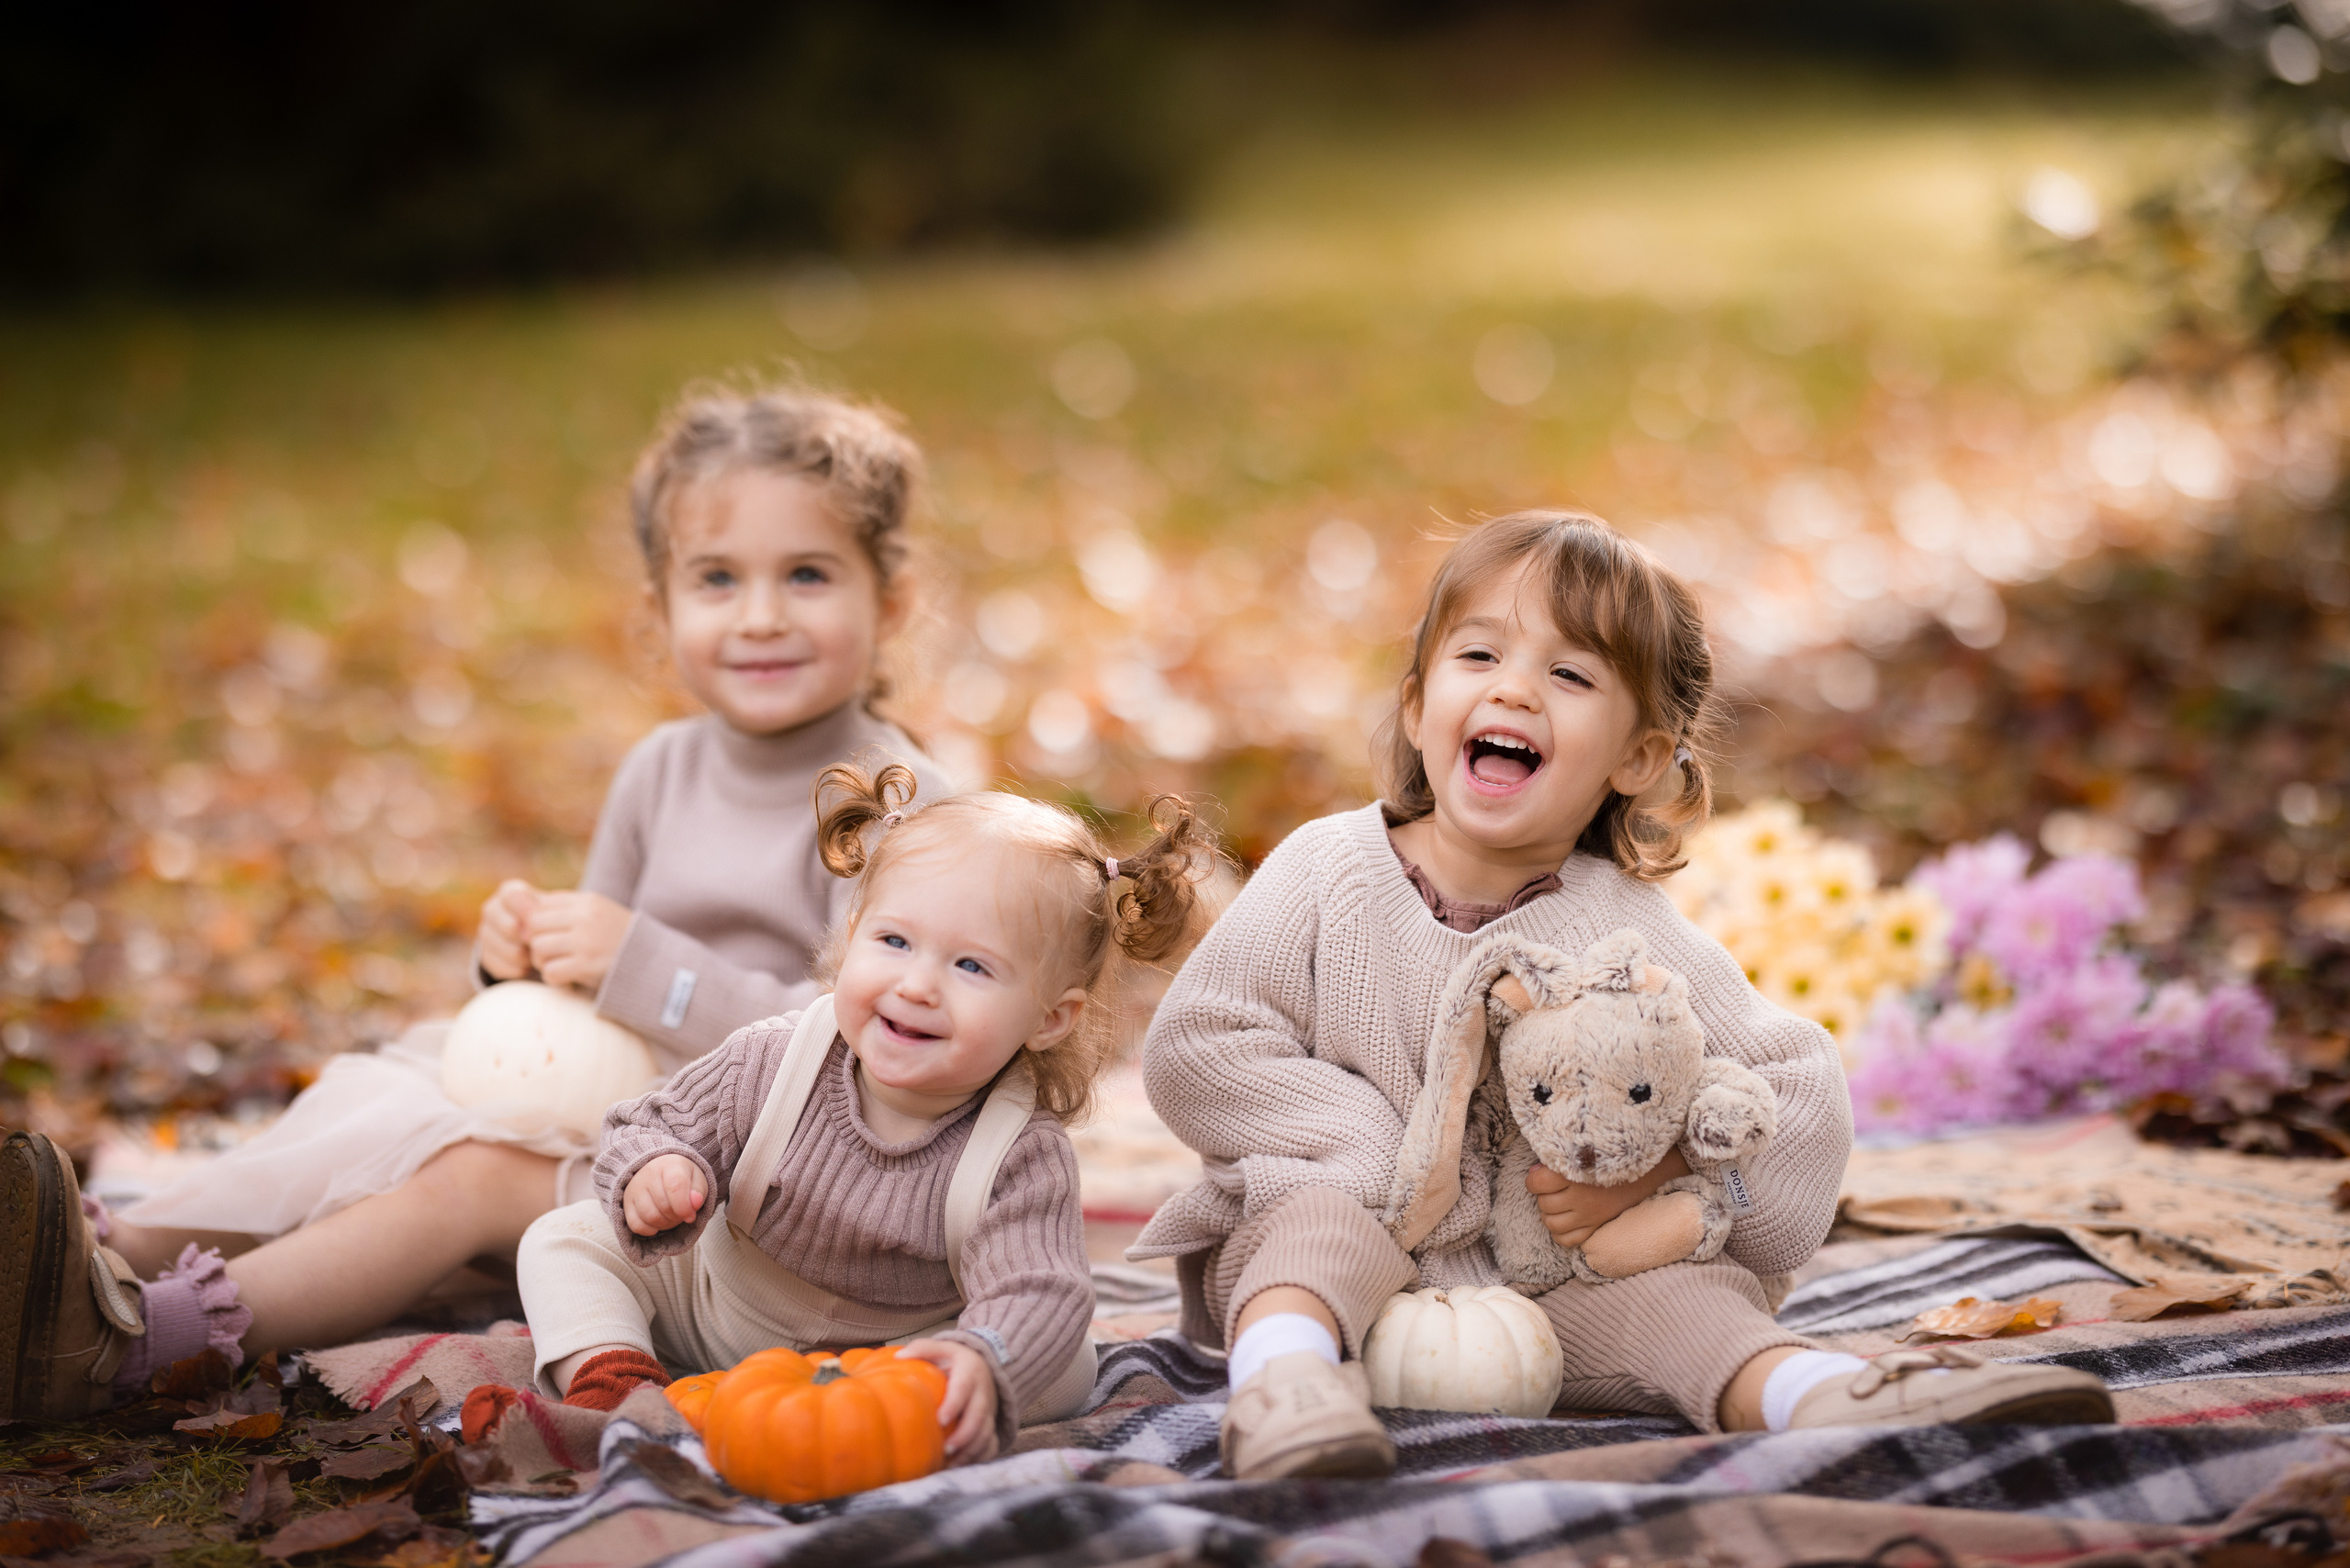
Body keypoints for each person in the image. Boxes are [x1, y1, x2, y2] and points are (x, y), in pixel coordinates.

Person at [1, 386, 953, 1420]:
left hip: (767, 1189)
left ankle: (138, 1345)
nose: (761, 614)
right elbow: (583, 1005)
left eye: (807, 575)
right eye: (717, 578)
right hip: (637, 1119)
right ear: (660, 607)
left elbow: (872, 1057)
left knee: (470, 1170)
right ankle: (111, 1248)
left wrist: (638, 962)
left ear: (889, 601)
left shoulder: (897, 802)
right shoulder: (661, 769)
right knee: (401, 1075)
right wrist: (524, 968)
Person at [1129, 511, 2114, 1482]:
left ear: (1637, 757)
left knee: (1681, 1308)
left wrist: (1660, 1176)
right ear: (1420, 700)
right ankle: (1283, 1390)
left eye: (1568, 675)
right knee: (1310, 1225)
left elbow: (1796, 1088)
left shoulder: (1626, 935)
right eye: (1479, 656)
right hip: (1342, 1244)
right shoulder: (1328, 869)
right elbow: (1204, 1045)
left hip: (1543, 1293)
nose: (1515, 688)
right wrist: (1371, 1153)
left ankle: (1813, 1395)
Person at [501, 763, 1216, 1462]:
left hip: (892, 1362)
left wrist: (980, 1354)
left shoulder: (1019, 1154)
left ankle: (915, 1417)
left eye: (971, 967)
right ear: (851, 942)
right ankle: (617, 1383)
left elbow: (1040, 1288)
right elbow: (646, 1124)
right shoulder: (772, 1063)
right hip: (716, 1312)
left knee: (1060, 1366)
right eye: (895, 942)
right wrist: (657, 1171)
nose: (917, 985)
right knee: (566, 1239)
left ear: (1050, 1019)